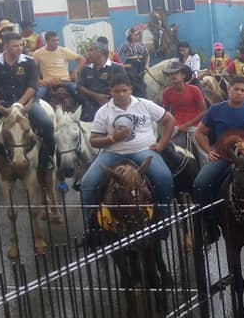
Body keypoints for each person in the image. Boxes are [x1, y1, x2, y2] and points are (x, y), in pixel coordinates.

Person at [81, 75, 176, 231]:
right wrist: (113, 138)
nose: (121, 94)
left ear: (130, 89)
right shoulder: (103, 111)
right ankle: (90, 227)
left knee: (163, 177)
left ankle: (164, 219)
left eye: (125, 90)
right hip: (112, 153)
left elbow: (169, 120)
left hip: (143, 151)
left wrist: (161, 144)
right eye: (117, 91)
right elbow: (94, 140)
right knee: (87, 183)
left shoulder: (145, 104)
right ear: (110, 91)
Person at [193, 75, 244, 244]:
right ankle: (211, 225)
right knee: (200, 184)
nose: (238, 92)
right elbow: (200, 132)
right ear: (229, 90)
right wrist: (208, 151)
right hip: (223, 157)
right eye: (235, 89)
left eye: (242, 90)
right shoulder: (215, 109)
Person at [0, 33, 55, 178]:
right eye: (15, 45)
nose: (19, 48)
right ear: (5, 46)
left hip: (28, 103)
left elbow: (32, 87)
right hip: (3, 105)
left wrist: (19, 104)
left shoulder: (29, 62)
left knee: (47, 124)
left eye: (21, 45)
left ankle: (48, 158)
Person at [161, 61, 207, 164]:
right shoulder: (166, 93)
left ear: (183, 75)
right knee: (161, 146)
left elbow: (204, 111)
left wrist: (187, 124)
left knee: (203, 153)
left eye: (176, 73)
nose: (173, 76)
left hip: (194, 126)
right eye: (171, 74)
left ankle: (206, 173)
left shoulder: (194, 90)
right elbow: (166, 113)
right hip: (175, 126)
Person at [78, 42, 128, 122]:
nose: (88, 53)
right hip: (89, 107)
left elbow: (124, 88)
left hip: (113, 106)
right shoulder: (85, 69)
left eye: (91, 50)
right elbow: (80, 87)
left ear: (100, 52)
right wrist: (96, 96)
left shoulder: (117, 68)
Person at [32, 31, 85, 101]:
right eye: (53, 41)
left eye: (57, 40)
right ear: (46, 41)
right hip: (48, 83)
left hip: (64, 81)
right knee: (38, 96)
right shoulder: (38, 53)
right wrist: (39, 81)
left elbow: (82, 59)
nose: (56, 42)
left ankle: (85, 110)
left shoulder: (64, 51)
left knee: (79, 92)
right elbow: (32, 69)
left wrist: (75, 71)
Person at [117, 28, 150, 98]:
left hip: (141, 70)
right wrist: (128, 63)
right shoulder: (125, 46)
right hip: (130, 72)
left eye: (138, 34)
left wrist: (147, 65)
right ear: (131, 36)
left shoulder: (141, 45)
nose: (138, 36)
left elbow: (147, 55)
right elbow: (119, 58)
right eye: (136, 34)